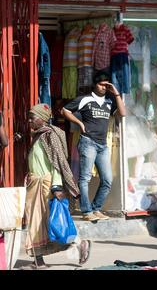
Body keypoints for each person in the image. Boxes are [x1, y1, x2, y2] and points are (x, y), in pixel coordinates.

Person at [21, 104, 91, 269]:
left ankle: (81, 244)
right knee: (36, 222)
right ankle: (38, 261)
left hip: (46, 185)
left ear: (43, 119)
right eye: (29, 117)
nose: (29, 121)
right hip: (35, 184)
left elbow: (58, 163)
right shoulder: (38, 136)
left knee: (54, 221)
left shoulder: (50, 136)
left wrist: (56, 186)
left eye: (33, 117)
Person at [62, 72, 126, 221]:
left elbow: (122, 113)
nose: (104, 87)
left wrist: (115, 92)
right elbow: (64, 110)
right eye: (101, 84)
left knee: (107, 180)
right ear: (94, 85)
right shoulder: (85, 100)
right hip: (88, 142)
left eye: (106, 85)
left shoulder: (109, 102)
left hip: (102, 146)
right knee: (85, 178)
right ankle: (86, 211)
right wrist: (79, 123)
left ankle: (96, 209)